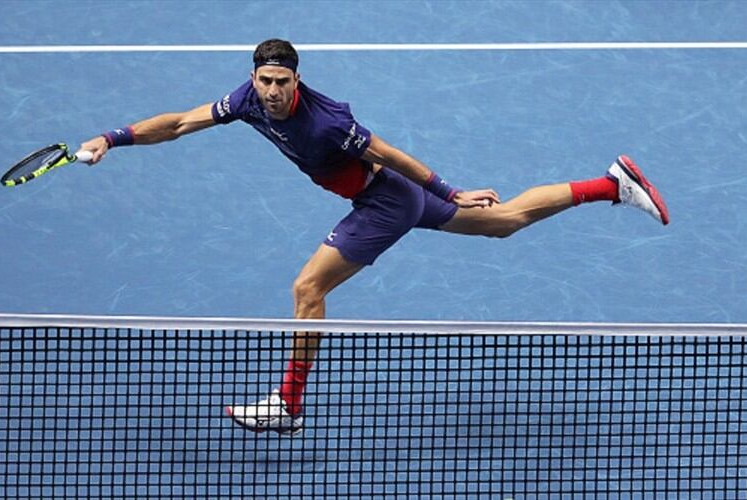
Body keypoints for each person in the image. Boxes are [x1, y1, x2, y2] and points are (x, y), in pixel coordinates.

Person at [79, 39, 669, 436]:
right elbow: (181, 122)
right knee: (506, 222)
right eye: (265, 82)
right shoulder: (245, 101)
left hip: (385, 199)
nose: (273, 92)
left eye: (282, 82)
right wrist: (114, 136)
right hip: (387, 198)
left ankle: (288, 404)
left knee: (308, 288)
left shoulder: (327, 121)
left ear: (297, 79)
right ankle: (610, 185)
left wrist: (450, 188)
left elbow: (385, 151)